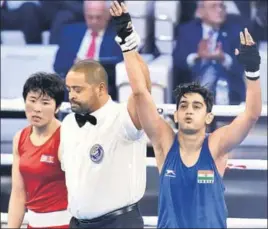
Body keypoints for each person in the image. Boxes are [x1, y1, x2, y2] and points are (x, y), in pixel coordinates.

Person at [118, 1, 262, 227]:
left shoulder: (216, 145)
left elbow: (251, 115)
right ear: (175, 115)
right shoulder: (164, 142)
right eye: (183, 106)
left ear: (208, 117)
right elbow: (139, 93)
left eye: (196, 106)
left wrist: (253, 72)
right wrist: (127, 44)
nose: (188, 111)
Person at [59, 2, 150, 227]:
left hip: (118, 223)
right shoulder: (69, 122)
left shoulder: (121, 118)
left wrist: (128, 43)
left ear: (100, 88)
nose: (71, 95)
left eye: (78, 89)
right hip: (78, 223)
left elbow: (142, 91)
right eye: (69, 89)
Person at [8, 72, 71, 228]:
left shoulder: (67, 137)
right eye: (32, 100)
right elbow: (18, 193)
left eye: (45, 102)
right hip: (33, 224)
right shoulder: (20, 138)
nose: (37, 108)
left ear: (57, 108)